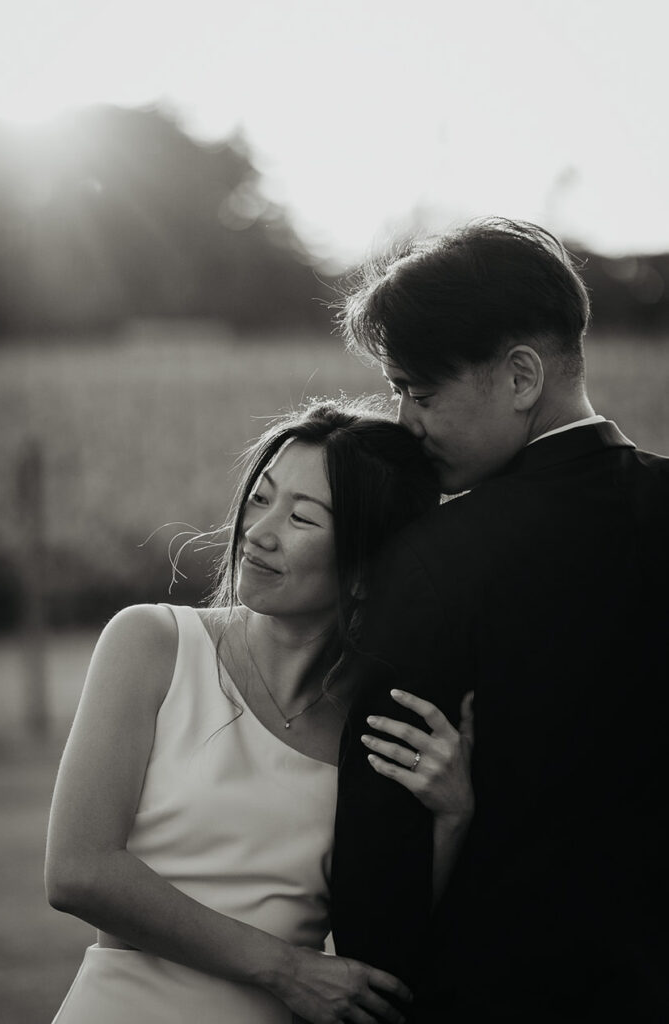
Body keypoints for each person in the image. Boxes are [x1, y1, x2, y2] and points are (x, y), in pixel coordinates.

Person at [330, 219, 669, 1021]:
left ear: (520, 376)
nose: (405, 421)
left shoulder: (435, 558)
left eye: (418, 390)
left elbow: (381, 877)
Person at [45, 398, 474, 1024]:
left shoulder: (379, 723)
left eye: (302, 518)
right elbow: (78, 872)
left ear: (363, 571)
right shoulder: (151, 644)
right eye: (261, 497)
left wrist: (454, 816)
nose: (258, 532)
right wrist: (286, 968)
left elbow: (389, 947)